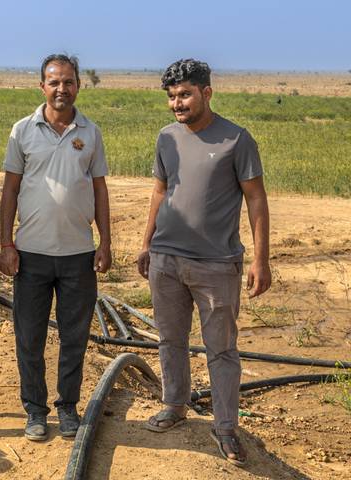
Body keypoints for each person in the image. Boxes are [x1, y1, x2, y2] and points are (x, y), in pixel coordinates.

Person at [137, 59, 271, 466]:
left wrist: (261, 260)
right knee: (170, 340)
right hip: (167, 260)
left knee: (222, 349)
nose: (178, 103)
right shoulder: (167, 138)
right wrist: (146, 244)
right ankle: (175, 405)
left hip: (217, 264)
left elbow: (256, 199)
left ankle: (226, 427)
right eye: (172, 97)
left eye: (185, 94)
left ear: (207, 93)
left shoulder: (236, 140)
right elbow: (160, 192)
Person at [0, 54, 111, 442]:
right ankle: (34, 411)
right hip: (31, 255)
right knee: (29, 336)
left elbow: (99, 189)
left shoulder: (90, 133)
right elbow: (10, 189)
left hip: (79, 254)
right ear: (42, 86)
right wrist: (6, 243)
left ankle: (67, 408)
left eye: (68, 82)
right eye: (54, 82)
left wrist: (105, 242)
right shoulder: (22, 131)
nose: (61, 88)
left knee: (74, 336)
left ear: (78, 85)